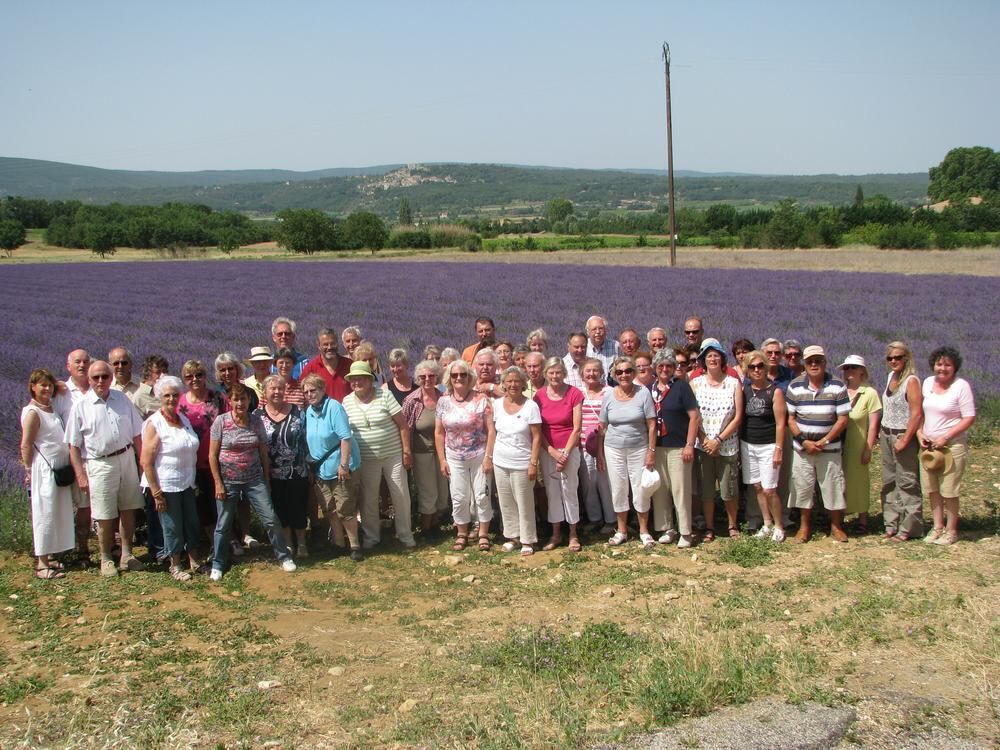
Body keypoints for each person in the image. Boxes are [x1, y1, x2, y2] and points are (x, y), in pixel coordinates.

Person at [65, 361, 146, 577]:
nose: (100, 381)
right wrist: (81, 475)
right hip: (100, 463)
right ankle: (106, 558)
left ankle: (127, 555)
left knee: (129, 508)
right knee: (104, 514)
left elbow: (138, 434)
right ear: (89, 380)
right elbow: (72, 445)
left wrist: (143, 464)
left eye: (104, 376)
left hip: (127, 458)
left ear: (111, 378)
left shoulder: (122, 400)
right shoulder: (81, 406)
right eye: (96, 377)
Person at [207, 383, 295, 580]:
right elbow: (212, 456)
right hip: (228, 480)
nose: (240, 403)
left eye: (243, 399)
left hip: (254, 479)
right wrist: (218, 483)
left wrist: (266, 479)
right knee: (223, 524)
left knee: (270, 518)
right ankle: (218, 563)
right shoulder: (221, 422)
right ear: (230, 401)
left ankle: (283, 556)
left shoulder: (256, 421)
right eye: (236, 399)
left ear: (249, 401)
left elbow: (263, 451)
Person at [342, 361, 415, 549]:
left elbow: (403, 425)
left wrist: (406, 451)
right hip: (365, 459)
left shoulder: (385, 395)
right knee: (369, 499)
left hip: (393, 455)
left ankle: (406, 535)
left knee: (400, 495)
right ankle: (371, 537)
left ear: (370, 380)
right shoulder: (347, 401)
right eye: (353, 379)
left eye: (361, 379)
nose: (357, 382)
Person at [139, 375, 205, 581]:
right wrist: (156, 492)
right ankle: (175, 564)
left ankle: (194, 559)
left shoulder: (182, 419)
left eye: (175, 395)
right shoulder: (154, 423)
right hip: (166, 484)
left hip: (186, 481)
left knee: (192, 522)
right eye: (167, 395)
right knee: (172, 525)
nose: (171, 399)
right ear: (160, 397)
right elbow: (146, 461)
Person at [785, 346, 851, 543]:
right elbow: (790, 419)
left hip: (829, 448)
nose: (814, 364)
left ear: (825, 362)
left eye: (818, 361)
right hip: (803, 449)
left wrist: (824, 441)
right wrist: (804, 442)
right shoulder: (794, 386)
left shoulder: (838, 386)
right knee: (803, 487)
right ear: (804, 364)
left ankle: (836, 526)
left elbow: (842, 419)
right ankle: (804, 528)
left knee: (833, 486)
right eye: (810, 361)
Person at [302, 374, 363, 562]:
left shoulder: (334, 407)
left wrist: (344, 465)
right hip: (321, 470)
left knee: (345, 508)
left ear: (322, 390)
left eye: (314, 390)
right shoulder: (308, 412)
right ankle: (338, 543)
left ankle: (355, 545)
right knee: (329, 508)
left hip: (340, 467)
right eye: (306, 392)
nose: (310, 394)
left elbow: (345, 437)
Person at [918, 347, 976, 546]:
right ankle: (937, 527)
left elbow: (969, 417)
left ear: (954, 367)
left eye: (947, 365)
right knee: (932, 489)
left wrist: (946, 436)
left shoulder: (961, 386)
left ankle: (951, 530)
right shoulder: (926, 383)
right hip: (928, 447)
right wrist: (919, 432)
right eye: (939, 364)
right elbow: (920, 412)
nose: (942, 368)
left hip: (951, 446)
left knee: (949, 489)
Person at [20, 369, 75, 579]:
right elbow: (26, 444)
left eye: (49, 385)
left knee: (56, 512)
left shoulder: (49, 408)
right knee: (44, 513)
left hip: (59, 467)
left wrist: (57, 384)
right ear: (32, 387)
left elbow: (61, 386)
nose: (47, 388)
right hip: (44, 470)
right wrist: (28, 470)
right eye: (42, 385)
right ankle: (42, 564)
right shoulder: (33, 412)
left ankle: (51, 555)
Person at [435, 359, 493, 551]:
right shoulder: (443, 402)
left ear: (470, 377)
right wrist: (442, 459)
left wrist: (488, 457)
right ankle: (462, 532)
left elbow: (491, 430)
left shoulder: (481, 400)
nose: (459, 378)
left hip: (478, 455)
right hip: (454, 457)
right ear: (449, 379)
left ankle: (483, 533)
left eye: (463, 375)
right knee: (459, 497)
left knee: (481, 495)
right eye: (454, 375)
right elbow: (439, 433)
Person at [599, 356, 656, 547]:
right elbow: (603, 425)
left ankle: (643, 530)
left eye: (628, 371)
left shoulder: (643, 393)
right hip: (613, 448)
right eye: (619, 372)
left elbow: (651, 424)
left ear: (634, 372)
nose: (624, 375)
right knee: (618, 488)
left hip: (638, 447)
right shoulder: (608, 395)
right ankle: (621, 530)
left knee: (640, 488)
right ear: (614, 375)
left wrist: (651, 450)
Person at [690, 339, 743, 540]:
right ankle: (710, 527)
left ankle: (732, 525)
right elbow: (693, 416)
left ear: (722, 359)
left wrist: (718, 440)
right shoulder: (695, 383)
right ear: (703, 360)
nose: (712, 359)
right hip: (703, 445)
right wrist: (705, 439)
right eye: (708, 356)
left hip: (726, 445)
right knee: (707, 491)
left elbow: (737, 416)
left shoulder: (733, 383)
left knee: (729, 489)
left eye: (716, 355)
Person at [485, 366, 541, 556]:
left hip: (522, 462)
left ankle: (527, 540)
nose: (513, 384)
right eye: (509, 381)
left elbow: (536, 437)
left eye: (517, 381)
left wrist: (533, 463)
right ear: (504, 384)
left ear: (523, 384)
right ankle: (512, 537)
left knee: (524, 502)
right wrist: (489, 457)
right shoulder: (497, 405)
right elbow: (493, 433)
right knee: (506, 501)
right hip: (501, 462)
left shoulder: (531, 406)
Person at [649, 349, 700, 548]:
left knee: (680, 489)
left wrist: (689, 444)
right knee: (660, 489)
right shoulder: (650, 389)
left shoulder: (681, 388)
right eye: (660, 366)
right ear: (655, 368)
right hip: (658, 446)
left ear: (673, 368)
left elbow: (694, 416)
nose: (664, 369)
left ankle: (685, 531)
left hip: (679, 446)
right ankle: (666, 528)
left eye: (668, 366)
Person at [255, 375, 310, 558]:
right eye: (273, 388)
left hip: (297, 470)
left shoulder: (297, 411)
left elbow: (306, 440)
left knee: (298, 508)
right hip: (272, 474)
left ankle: (302, 544)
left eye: (280, 388)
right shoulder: (257, 416)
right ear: (265, 391)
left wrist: (309, 466)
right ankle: (288, 544)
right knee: (280, 510)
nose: (277, 392)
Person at [534, 357, 584, 551]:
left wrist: (565, 454)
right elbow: (539, 429)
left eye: (558, 372)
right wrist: (553, 452)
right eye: (551, 372)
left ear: (564, 373)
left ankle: (573, 533)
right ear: (546, 374)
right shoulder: (538, 396)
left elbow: (577, 428)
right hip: (548, 451)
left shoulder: (574, 393)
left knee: (569, 490)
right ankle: (555, 534)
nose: (555, 376)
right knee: (552, 492)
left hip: (569, 449)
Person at [178, 360, 228, 548]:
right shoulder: (180, 402)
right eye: (189, 376)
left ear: (205, 376)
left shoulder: (218, 398)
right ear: (184, 380)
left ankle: (227, 538)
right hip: (191, 462)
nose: (195, 379)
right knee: (202, 505)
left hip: (218, 460)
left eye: (199, 375)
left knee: (222, 501)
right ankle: (213, 542)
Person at [739, 350, 788, 542]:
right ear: (747, 370)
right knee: (757, 486)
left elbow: (780, 423)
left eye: (760, 366)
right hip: (748, 444)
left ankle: (779, 526)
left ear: (766, 367)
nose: (757, 370)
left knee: (770, 489)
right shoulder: (745, 390)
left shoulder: (774, 391)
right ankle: (766, 523)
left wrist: (778, 448)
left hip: (768, 446)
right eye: (752, 367)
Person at [880, 341, 923, 541]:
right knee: (889, 481)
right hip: (886, 433)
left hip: (901, 435)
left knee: (907, 481)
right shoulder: (891, 376)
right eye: (890, 358)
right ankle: (891, 524)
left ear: (906, 358)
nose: (894, 361)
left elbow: (916, 413)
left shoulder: (911, 381)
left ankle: (909, 528)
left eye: (898, 357)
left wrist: (905, 439)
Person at [402, 360, 450, 535]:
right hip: (421, 452)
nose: (427, 379)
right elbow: (405, 428)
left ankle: (436, 522)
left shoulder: (445, 397)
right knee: (427, 490)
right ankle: (426, 528)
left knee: (442, 490)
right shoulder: (412, 400)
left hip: (443, 452)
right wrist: (406, 452)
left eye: (431, 376)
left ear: (437, 376)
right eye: (423, 377)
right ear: (418, 379)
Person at [839, 355, 881, 534]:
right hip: (840, 444)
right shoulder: (840, 391)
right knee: (841, 480)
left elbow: (873, 426)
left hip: (858, 444)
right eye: (846, 368)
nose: (849, 371)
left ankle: (862, 519)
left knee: (859, 481)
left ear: (862, 371)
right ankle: (840, 516)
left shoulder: (870, 393)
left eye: (853, 368)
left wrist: (868, 448)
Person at [59, 348, 93, 564]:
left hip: (92, 457)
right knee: (63, 506)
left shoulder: (97, 388)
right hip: (67, 458)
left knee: (86, 507)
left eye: (85, 362)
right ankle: (62, 548)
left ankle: (84, 550)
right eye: (77, 362)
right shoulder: (60, 392)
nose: (82, 365)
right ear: (68, 366)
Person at [579, 358, 613, 533]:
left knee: (605, 482)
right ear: (582, 374)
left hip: (604, 444)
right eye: (588, 371)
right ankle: (594, 518)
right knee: (588, 483)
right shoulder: (578, 393)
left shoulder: (609, 392)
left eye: (595, 371)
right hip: (584, 445)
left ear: (601, 373)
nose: (591, 374)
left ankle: (610, 519)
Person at [300, 327, 352, 403]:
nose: (329, 347)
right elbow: (303, 395)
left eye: (332, 344)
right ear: (318, 345)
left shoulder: (349, 365)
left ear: (337, 344)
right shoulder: (311, 368)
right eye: (325, 344)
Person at [133, 354, 168, 418]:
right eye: (158, 372)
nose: (163, 375)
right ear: (148, 374)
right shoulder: (139, 397)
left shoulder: (168, 393)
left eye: (165, 372)